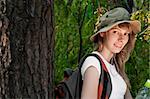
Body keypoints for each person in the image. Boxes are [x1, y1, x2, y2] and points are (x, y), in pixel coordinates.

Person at [80, 7, 141, 99]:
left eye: (125, 34)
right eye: (115, 32)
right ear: (103, 33)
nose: (121, 39)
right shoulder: (93, 63)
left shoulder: (115, 66)